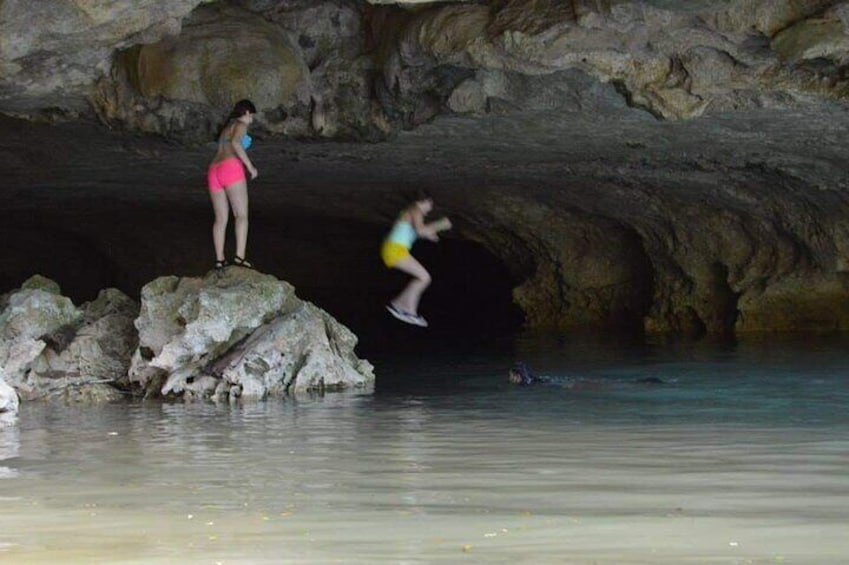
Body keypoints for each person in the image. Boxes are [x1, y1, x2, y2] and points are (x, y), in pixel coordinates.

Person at [381, 194, 452, 327]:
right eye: (430, 205)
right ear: (425, 200)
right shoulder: (415, 209)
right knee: (424, 277)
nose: (429, 209)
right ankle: (403, 308)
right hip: (395, 250)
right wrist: (441, 224)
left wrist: (431, 232)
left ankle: (403, 307)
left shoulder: (409, 211)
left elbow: (413, 232)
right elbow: (420, 231)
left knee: (423, 278)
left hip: (393, 250)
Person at [207, 99, 258, 271]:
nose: (252, 120)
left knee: (220, 219)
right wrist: (250, 167)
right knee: (241, 215)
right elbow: (236, 143)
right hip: (230, 168)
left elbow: (228, 144)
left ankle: (220, 260)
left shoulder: (226, 128)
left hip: (214, 170)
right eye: (252, 116)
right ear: (246, 113)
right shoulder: (241, 124)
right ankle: (239, 257)